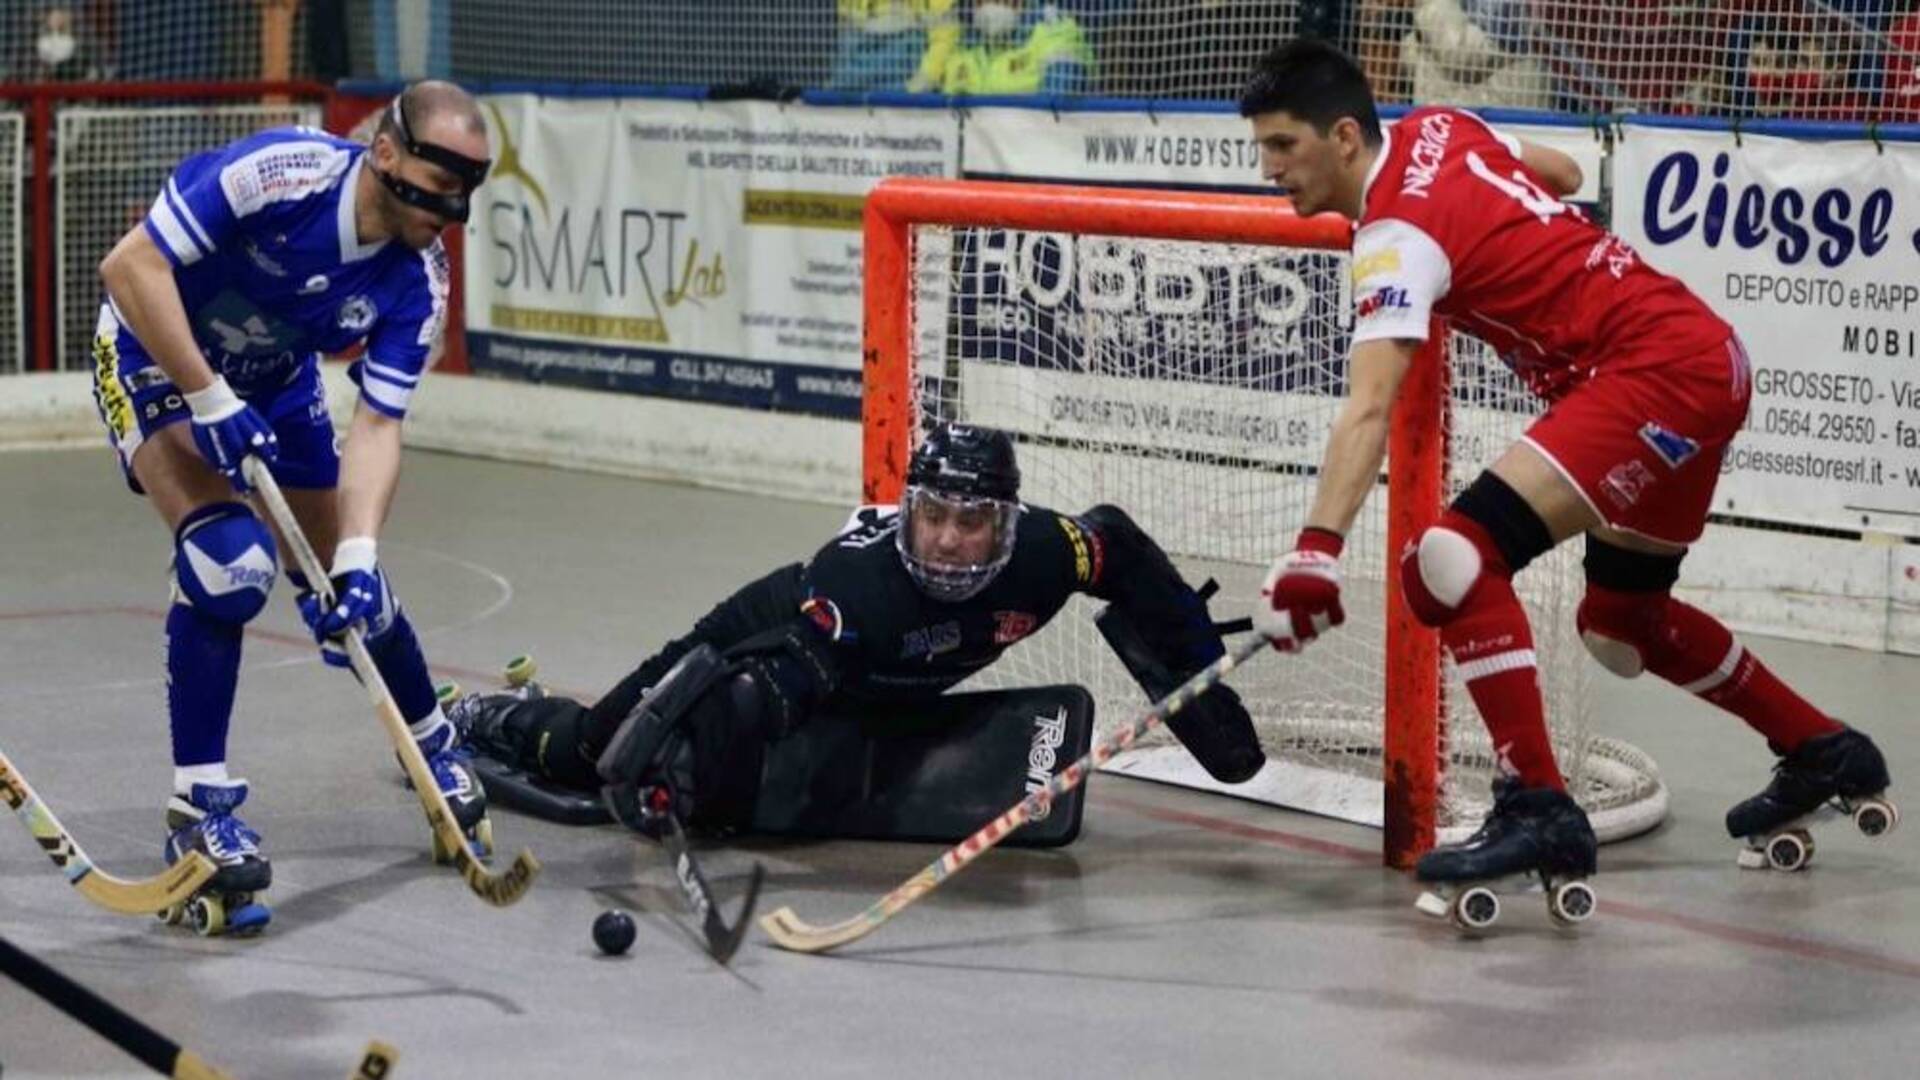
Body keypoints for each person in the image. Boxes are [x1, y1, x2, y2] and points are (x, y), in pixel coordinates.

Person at [1239, 39, 1896, 902]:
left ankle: (1539, 805)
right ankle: (1823, 747)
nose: (1269, 169)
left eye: (1284, 146)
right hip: (1703, 357)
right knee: (1622, 626)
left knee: (1451, 559)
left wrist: (1316, 550)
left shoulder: (1395, 238)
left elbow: (1367, 405)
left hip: (1649, 373)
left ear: (1347, 138)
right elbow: (1557, 172)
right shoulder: (1443, 126)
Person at [90, 81, 494, 934]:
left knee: (356, 585)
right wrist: (205, 396)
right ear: (386, 152)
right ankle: (199, 810)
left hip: (273, 382)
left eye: (472, 186)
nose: (453, 205)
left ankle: (432, 746)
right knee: (228, 564)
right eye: (442, 176)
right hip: (153, 357)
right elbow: (130, 266)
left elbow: (379, 426)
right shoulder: (282, 173)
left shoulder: (418, 279)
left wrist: (355, 551)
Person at [446, 423, 1263, 843]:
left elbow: (1123, 553)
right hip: (772, 625)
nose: (946, 538)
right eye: (932, 514)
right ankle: (487, 719)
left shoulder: (1051, 551)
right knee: (590, 753)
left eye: (970, 521)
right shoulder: (858, 590)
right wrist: (703, 784)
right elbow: (775, 685)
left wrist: (1195, 669)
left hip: (884, 677)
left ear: (1005, 523)